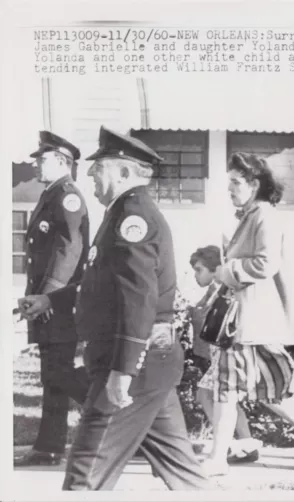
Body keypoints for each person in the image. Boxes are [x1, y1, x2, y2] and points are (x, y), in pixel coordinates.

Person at [19, 126, 210, 490]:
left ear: (123, 172)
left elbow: (137, 301)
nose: (89, 173)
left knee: (84, 477)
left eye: (98, 166)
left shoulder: (131, 219)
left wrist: (122, 372)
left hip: (132, 367)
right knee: (187, 478)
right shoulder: (120, 212)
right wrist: (50, 299)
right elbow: (102, 284)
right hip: (150, 364)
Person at [201, 152, 294, 476]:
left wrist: (225, 270)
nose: (229, 189)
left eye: (235, 182)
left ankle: (217, 460)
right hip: (248, 321)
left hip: (251, 321)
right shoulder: (251, 215)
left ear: (254, 184)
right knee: (263, 391)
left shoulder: (264, 216)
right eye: (229, 182)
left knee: (227, 389)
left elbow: (265, 263)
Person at [14, 131, 90, 467]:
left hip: (59, 301)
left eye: (41, 158)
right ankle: (49, 447)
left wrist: (45, 298)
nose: (35, 163)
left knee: (58, 373)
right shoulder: (52, 195)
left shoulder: (68, 197)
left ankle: (119, 416)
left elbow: (67, 251)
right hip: (49, 299)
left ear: (62, 162)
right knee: (53, 374)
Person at [188, 245, 262, 463]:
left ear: (214, 270)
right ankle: (245, 444)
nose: (195, 275)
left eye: (199, 269)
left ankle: (230, 445)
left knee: (208, 396)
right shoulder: (213, 291)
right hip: (218, 356)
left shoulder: (224, 291)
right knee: (225, 401)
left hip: (227, 353)